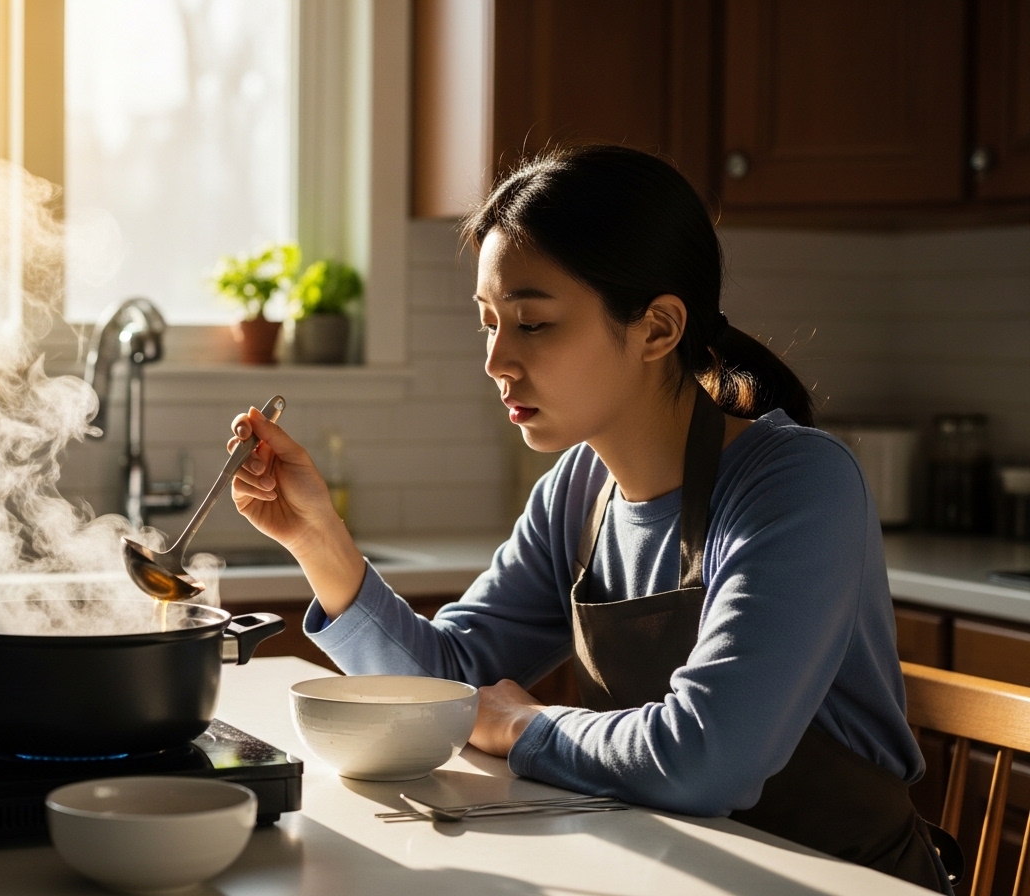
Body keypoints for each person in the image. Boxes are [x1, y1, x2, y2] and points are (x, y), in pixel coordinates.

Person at [226, 145, 952, 893]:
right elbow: (445, 689)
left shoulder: (798, 485)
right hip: (678, 872)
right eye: (487, 322)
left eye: (533, 324)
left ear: (658, 329)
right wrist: (316, 537)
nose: (496, 359)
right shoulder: (579, 489)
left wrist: (522, 727)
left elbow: (705, 757)